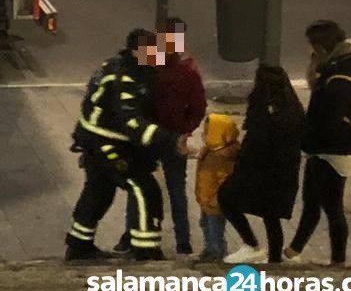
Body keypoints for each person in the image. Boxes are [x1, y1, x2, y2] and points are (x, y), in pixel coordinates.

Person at [65, 28, 188, 261]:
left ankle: (79, 245)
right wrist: (170, 140)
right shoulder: (126, 79)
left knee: (98, 192)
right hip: (110, 145)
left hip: (95, 142)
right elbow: (131, 121)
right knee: (144, 189)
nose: (158, 55)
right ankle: (146, 249)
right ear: (136, 52)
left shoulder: (116, 67)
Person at [121, 17, 205, 255]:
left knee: (146, 188)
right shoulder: (185, 70)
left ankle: (134, 236)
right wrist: (185, 130)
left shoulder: (162, 68)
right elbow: (197, 108)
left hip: (157, 137)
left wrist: (183, 132)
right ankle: (181, 242)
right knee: (171, 189)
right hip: (163, 136)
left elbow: (197, 108)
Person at [282, 20, 351, 265]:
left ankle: (338, 261)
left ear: (321, 47)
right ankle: (295, 249)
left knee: (332, 207)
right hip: (322, 150)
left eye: (313, 47)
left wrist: (308, 141)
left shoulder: (339, 81)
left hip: (332, 153)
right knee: (312, 202)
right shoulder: (337, 67)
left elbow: (329, 121)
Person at [219, 64, 305, 264]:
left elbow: (256, 142)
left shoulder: (263, 110)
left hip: (259, 171)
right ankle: (274, 259)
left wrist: (239, 159)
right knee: (271, 216)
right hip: (282, 173)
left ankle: (252, 245)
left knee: (227, 197)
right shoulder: (292, 109)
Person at [193, 112, 241, 263]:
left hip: (214, 201)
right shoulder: (210, 151)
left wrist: (215, 199)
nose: (203, 135)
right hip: (206, 199)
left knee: (215, 228)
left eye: (207, 132)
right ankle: (210, 249)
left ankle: (217, 252)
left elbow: (224, 181)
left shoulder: (223, 156)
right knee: (206, 225)